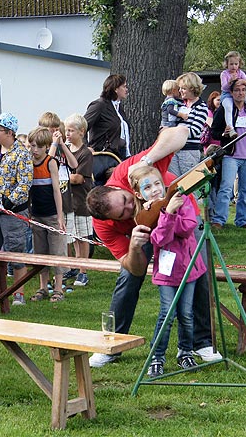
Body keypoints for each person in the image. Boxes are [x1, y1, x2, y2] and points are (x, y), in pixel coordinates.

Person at [84, 125, 220, 368]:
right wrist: (135, 248)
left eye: (126, 200)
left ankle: (202, 342)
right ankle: (113, 344)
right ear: (108, 220)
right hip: (149, 234)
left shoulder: (128, 172)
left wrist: (146, 161)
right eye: (122, 214)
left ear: (118, 187)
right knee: (126, 281)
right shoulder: (103, 225)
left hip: (181, 216)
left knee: (199, 272)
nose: (129, 209)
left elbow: (180, 132)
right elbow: (133, 267)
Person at [128, 165, 205, 377]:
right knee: (167, 314)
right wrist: (167, 213)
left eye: (157, 184)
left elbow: (187, 227)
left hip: (189, 269)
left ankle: (185, 351)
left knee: (186, 314)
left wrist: (172, 211)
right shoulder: (146, 215)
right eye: (147, 187)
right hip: (166, 273)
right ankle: (157, 356)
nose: (154, 190)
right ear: (139, 194)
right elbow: (160, 239)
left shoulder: (182, 199)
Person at [0, 113, 33, 305]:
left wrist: (8, 203)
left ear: (10, 132)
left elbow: (25, 184)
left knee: (16, 251)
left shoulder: (22, 153)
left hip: (13, 212)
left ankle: (18, 294)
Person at [210, 79, 246, 229]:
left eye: (243, 90)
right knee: (226, 188)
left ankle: (242, 220)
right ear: (231, 92)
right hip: (231, 156)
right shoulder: (224, 109)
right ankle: (219, 220)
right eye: (237, 90)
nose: (240, 93)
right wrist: (224, 134)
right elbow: (214, 132)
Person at [26, 127, 67, 303]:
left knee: (57, 252)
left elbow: (57, 190)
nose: (33, 150)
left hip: (51, 214)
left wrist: (60, 216)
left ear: (45, 147)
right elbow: (27, 190)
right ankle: (43, 286)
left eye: (37, 146)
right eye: (31, 146)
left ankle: (58, 288)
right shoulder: (28, 162)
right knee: (40, 253)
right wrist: (29, 213)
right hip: (36, 215)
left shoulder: (50, 162)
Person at [63, 113, 94, 287]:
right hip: (67, 201)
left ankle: (84, 271)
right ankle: (73, 265)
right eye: (66, 130)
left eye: (71, 130)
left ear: (81, 132)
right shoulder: (65, 149)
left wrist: (61, 176)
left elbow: (78, 178)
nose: (67, 134)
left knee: (83, 236)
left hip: (81, 200)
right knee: (71, 235)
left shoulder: (85, 153)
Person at [168, 72, 208, 177]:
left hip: (189, 151)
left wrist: (173, 133)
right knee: (173, 185)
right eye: (180, 88)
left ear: (192, 88)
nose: (180, 91)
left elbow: (194, 131)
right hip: (174, 150)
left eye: (183, 88)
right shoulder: (179, 104)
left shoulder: (201, 107)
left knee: (189, 187)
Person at [84, 74, 131, 159]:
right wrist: (86, 148)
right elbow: (81, 126)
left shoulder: (118, 107)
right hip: (103, 156)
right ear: (116, 89)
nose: (126, 90)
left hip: (119, 155)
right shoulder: (99, 105)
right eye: (124, 87)